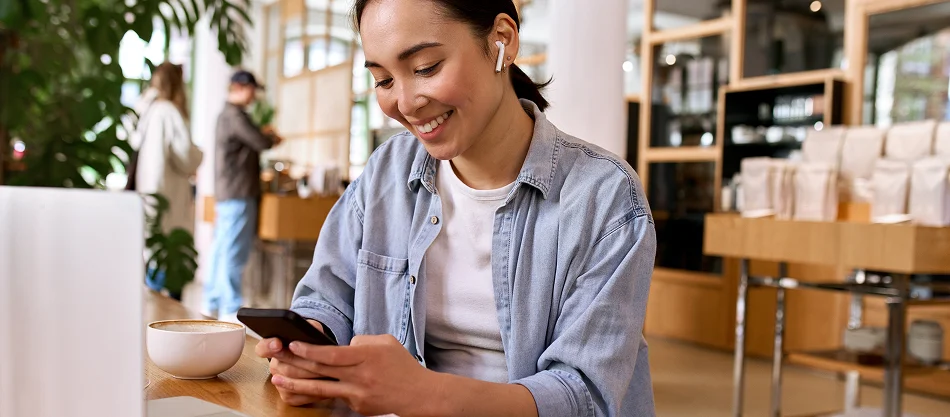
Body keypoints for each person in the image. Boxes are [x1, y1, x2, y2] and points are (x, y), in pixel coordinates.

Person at [255, 0, 657, 416]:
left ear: (502, 40)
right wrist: (310, 348)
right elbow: (328, 298)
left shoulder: (604, 197)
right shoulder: (388, 171)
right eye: (383, 79)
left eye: (426, 67)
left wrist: (422, 393)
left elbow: (584, 395)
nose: (406, 103)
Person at [204, 70, 282, 321]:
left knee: (221, 249)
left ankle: (213, 301)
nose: (253, 95)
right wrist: (270, 135)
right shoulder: (235, 116)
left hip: (228, 192)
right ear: (239, 87)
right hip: (238, 193)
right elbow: (260, 142)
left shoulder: (224, 116)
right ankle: (230, 308)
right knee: (233, 252)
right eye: (251, 89)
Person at [131, 62, 204, 300]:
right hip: (169, 197)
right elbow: (186, 157)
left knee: (151, 255)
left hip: (148, 195)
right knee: (170, 260)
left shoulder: (146, 111)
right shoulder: (169, 112)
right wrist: (200, 153)